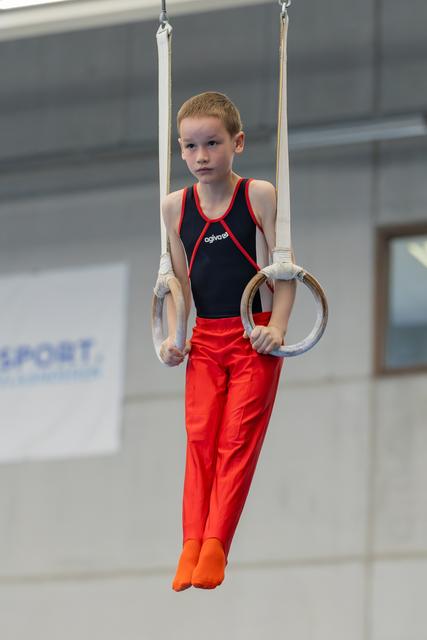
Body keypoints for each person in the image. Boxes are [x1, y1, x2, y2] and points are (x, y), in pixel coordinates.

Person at [159, 91, 296, 591]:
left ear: (237, 143)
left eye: (212, 144)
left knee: (236, 442)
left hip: (253, 336)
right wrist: (175, 337)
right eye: (190, 147)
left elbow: (285, 274)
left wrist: (276, 330)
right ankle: (190, 543)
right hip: (206, 340)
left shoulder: (258, 195)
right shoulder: (174, 207)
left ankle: (216, 544)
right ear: (179, 151)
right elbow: (178, 284)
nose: (201, 157)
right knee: (199, 440)